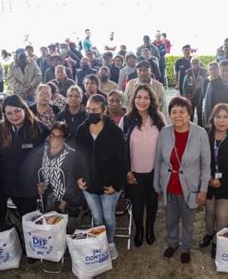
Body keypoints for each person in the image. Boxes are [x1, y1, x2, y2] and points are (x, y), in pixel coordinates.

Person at [154, 97, 211, 264]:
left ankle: (185, 247)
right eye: (174, 112)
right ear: (169, 114)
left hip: (191, 187)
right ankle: (172, 243)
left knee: (188, 221)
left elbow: (206, 165)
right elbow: (158, 160)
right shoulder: (164, 132)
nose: (178, 116)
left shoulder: (200, 133)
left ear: (189, 113)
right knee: (170, 219)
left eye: (182, 112)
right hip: (169, 185)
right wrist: (156, 183)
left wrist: (203, 189)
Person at [76, 94, 127, 260]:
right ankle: (99, 243)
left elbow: (123, 160)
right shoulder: (82, 130)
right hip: (89, 184)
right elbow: (77, 157)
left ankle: (110, 243)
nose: (91, 113)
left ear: (104, 111)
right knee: (96, 216)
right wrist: (78, 177)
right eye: (89, 109)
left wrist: (117, 185)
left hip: (109, 185)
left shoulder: (115, 132)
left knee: (108, 216)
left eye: (95, 110)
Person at [119, 84, 165, 247]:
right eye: (138, 97)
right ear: (133, 99)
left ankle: (150, 228)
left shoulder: (159, 118)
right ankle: (139, 229)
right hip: (134, 173)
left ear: (151, 100)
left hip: (154, 171)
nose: (142, 101)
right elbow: (120, 149)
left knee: (152, 203)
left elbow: (165, 145)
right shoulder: (126, 120)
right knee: (137, 205)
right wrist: (126, 171)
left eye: (146, 97)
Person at [199, 104, 228, 258]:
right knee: (209, 212)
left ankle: (217, 242)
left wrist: (223, 181)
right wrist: (208, 179)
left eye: (225, 117)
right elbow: (199, 159)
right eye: (218, 116)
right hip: (208, 181)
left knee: (222, 214)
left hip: (227, 184)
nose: (221, 120)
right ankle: (209, 234)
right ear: (212, 119)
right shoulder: (205, 134)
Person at [0, 95, 49, 217]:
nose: (14, 116)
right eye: (9, 113)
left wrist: (43, 180)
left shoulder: (40, 128)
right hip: (8, 186)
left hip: (32, 187)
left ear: (24, 109)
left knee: (30, 220)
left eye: (17, 111)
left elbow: (49, 158)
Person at [37, 122, 83, 233]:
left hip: (70, 201)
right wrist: (40, 184)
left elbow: (74, 180)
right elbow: (40, 173)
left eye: (59, 136)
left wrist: (65, 200)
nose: (54, 139)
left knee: (70, 232)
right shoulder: (43, 152)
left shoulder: (72, 155)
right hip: (49, 198)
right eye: (52, 135)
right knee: (52, 232)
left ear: (65, 138)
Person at [182, 57, 208, 126]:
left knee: (199, 110)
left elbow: (207, 83)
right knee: (191, 111)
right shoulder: (188, 72)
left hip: (200, 94)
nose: (195, 65)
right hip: (191, 94)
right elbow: (184, 84)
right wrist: (185, 95)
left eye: (197, 63)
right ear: (191, 64)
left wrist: (205, 94)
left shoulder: (204, 71)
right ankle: (189, 125)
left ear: (200, 64)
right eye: (193, 63)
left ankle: (200, 125)